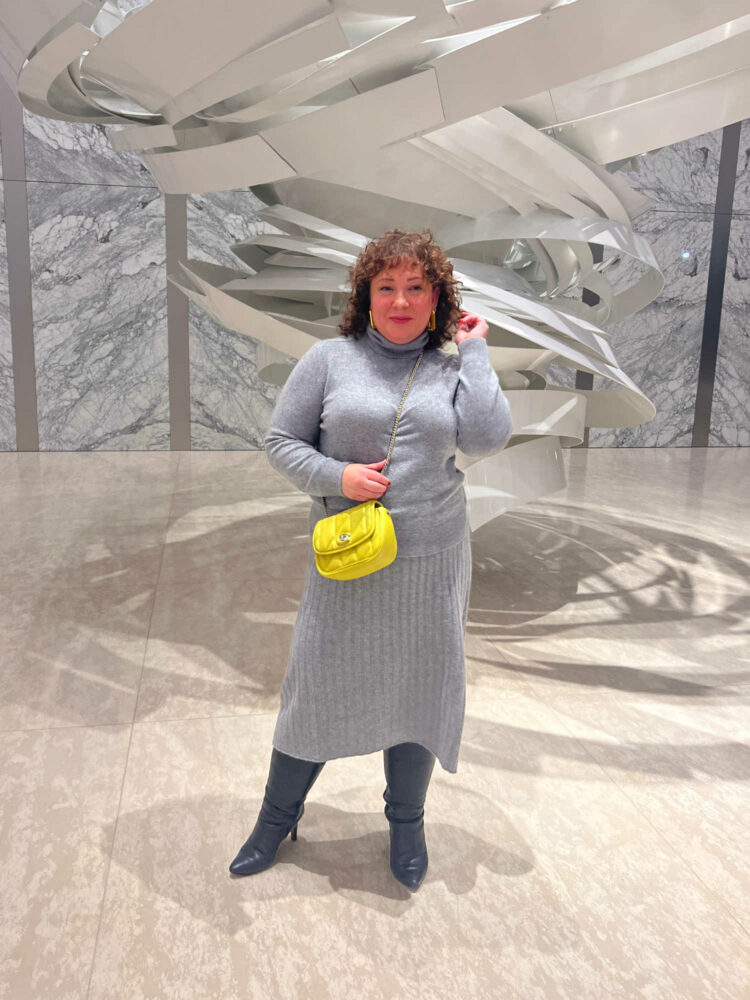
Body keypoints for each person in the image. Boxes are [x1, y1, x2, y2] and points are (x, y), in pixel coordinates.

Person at [229, 229, 513, 891]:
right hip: (350, 564)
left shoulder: (452, 365)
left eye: (417, 286)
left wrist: (475, 352)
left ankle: (406, 823)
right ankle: (276, 819)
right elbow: (280, 442)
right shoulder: (329, 358)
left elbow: (487, 437)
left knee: (417, 693)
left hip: (431, 562)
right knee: (315, 691)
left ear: (438, 295)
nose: (402, 300)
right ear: (366, 294)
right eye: (387, 286)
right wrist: (338, 476)